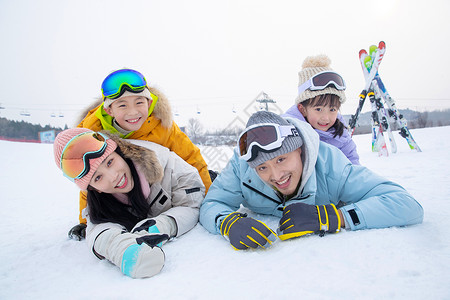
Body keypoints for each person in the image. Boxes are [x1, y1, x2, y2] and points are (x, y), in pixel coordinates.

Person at [199, 111, 423, 250]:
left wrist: (333, 217)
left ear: (299, 149)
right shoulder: (241, 167)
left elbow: (406, 205)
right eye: (263, 168)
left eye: (281, 159)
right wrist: (227, 223)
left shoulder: (331, 166)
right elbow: (212, 204)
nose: (276, 176)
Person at [69, 68, 212, 241]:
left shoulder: (162, 126)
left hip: (163, 187)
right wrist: (85, 221)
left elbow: (192, 158)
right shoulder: (94, 133)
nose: (133, 112)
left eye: (139, 103)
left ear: (149, 102)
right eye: (122, 105)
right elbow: (90, 178)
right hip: (126, 194)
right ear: (109, 110)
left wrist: (208, 201)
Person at [54, 128, 205, 278]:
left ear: (119, 153)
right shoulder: (101, 202)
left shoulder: (168, 165)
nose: (113, 177)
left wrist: (159, 226)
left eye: (110, 162)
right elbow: (98, 230)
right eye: (98, 178)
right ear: (94, 189)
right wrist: (122, 249)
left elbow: (192, 204)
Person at [283, 54, 360, 165]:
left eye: (332, 109)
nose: (326, 118)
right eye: (318, 109)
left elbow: (354, 167)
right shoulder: (288, 135)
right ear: (302, 109)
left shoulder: (342, 136)